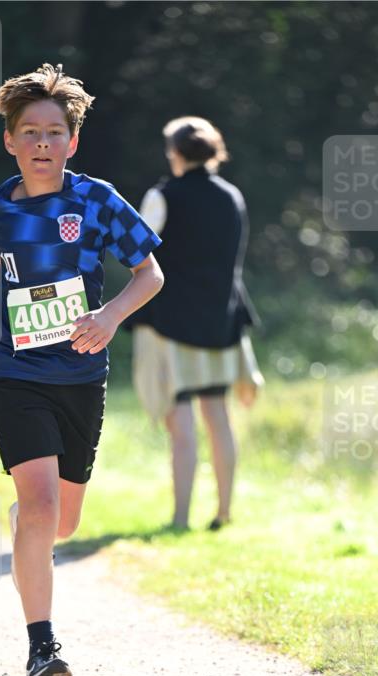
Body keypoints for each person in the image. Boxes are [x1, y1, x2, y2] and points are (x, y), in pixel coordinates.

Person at [0, 63, 163, 676]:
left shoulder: (97, 200)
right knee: (39, 509)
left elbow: (149, 275)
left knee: (59, 522)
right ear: (10, 141)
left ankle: (28, 522)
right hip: (17, 374)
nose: (42, 142)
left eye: (54, 131)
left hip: (81, 375)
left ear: (72, 141)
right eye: (29, 131)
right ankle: (43, 649)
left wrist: (108, 316)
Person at [129, 116, 264, 531]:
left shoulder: (162, 196)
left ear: (175, 152)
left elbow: (136, 253)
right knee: (218, 416)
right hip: (222, 321)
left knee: (181, 421)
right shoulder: (232, 196)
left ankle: (180, 518)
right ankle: (223, 512)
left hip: (170, 323)